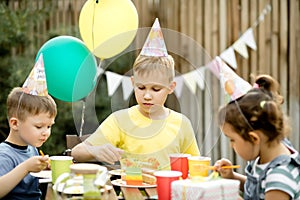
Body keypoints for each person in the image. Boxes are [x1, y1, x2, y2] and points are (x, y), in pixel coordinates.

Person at [71, 18, 200, 170]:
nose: (147, 95)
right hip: (132, 192)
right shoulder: (120, 120)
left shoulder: (182, 124)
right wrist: (95, 150)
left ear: (171, 87)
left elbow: (195, 166)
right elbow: (76, 152)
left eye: (155, 89)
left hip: (170, 193)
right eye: (141, 87)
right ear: (132, 83)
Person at [214, 74, 300, 200]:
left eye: (232, 139)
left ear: (254, 138)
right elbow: (257, 189)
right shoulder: (265, 154)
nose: (231, 145)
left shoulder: (279, 179)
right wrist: (232, 176)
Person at [0, 54, 57, 199]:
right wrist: (26, 167)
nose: (46, 133)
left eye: (49, 126)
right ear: (15, 123)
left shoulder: (32, 149)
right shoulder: (5, 154)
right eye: (39, 127)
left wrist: (45, 167)